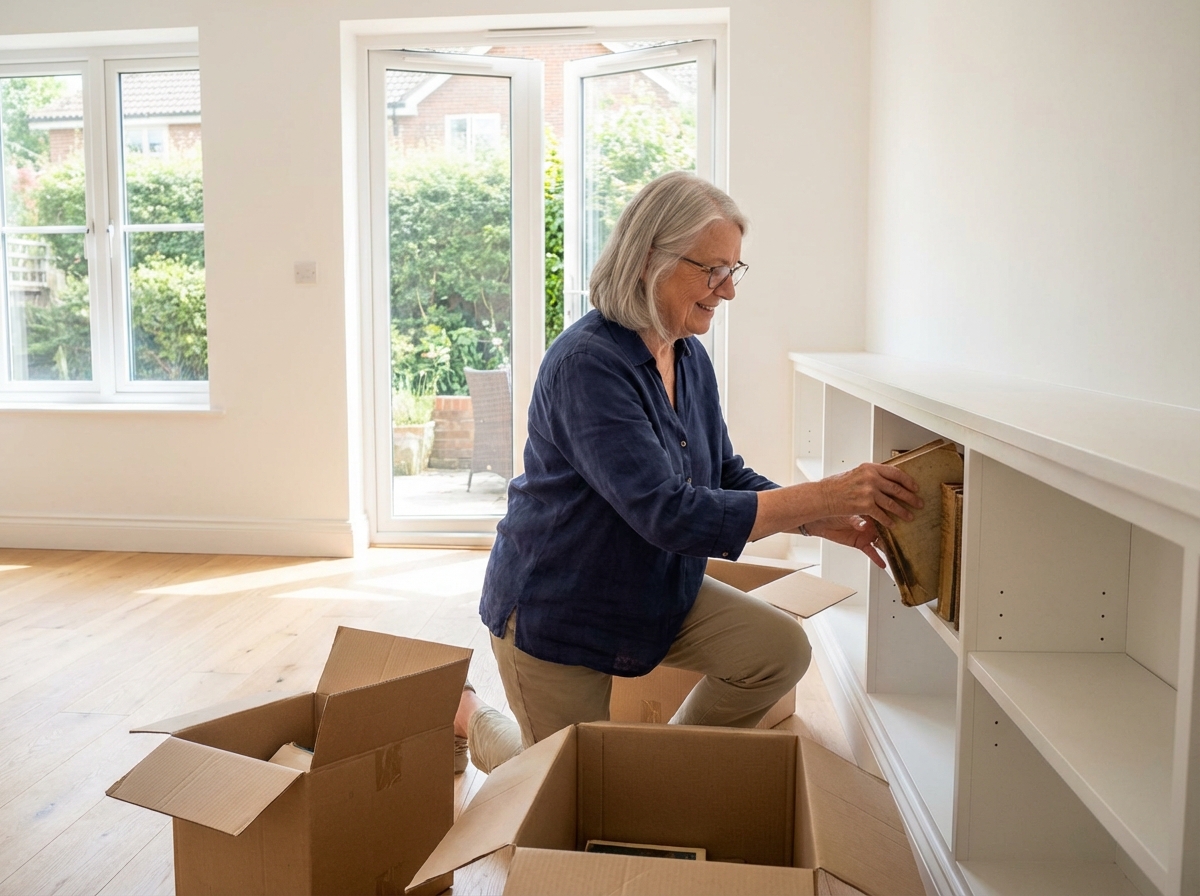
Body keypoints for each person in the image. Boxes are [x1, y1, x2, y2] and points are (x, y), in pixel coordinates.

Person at [454, 171, 921, 774]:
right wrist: (819, 494)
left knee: (777, 652)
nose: (728, 291)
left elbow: (721, 472)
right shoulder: (586, 366)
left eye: (734, 270)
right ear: (651, 258)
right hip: (560, 607)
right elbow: (668, 512)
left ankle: (652, 773)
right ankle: (470, 717)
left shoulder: (688, 355)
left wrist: (820, 518)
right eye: (713, 270)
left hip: (647, 587)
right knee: (559, 788)